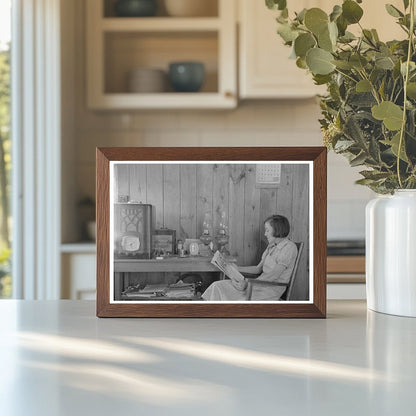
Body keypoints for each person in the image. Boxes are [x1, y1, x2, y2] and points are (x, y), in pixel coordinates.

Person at [202, 215, 298, 301]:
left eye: (267, 230)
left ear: (277, 230)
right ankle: (213, 316)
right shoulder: (271, 246)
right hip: (257, 284)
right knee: (217, 286)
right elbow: (258, 269)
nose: (265, 234)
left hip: (269, 290)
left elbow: (273, 276)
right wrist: (237, 268)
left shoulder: (289, 247)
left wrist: (248, 284)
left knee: (234, 297)